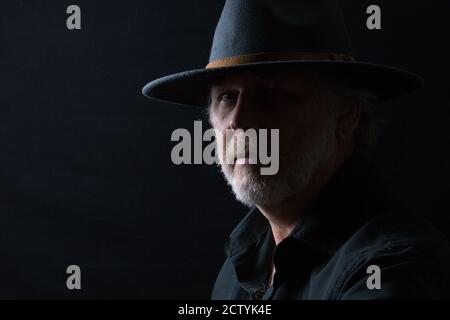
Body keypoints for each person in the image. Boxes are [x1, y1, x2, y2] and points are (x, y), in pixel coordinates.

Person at [142, 0, 450, 299]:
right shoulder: (243, 263)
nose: (238, 120)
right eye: (226, 97)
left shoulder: (393, 270)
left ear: (346, 115)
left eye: (273, 93)